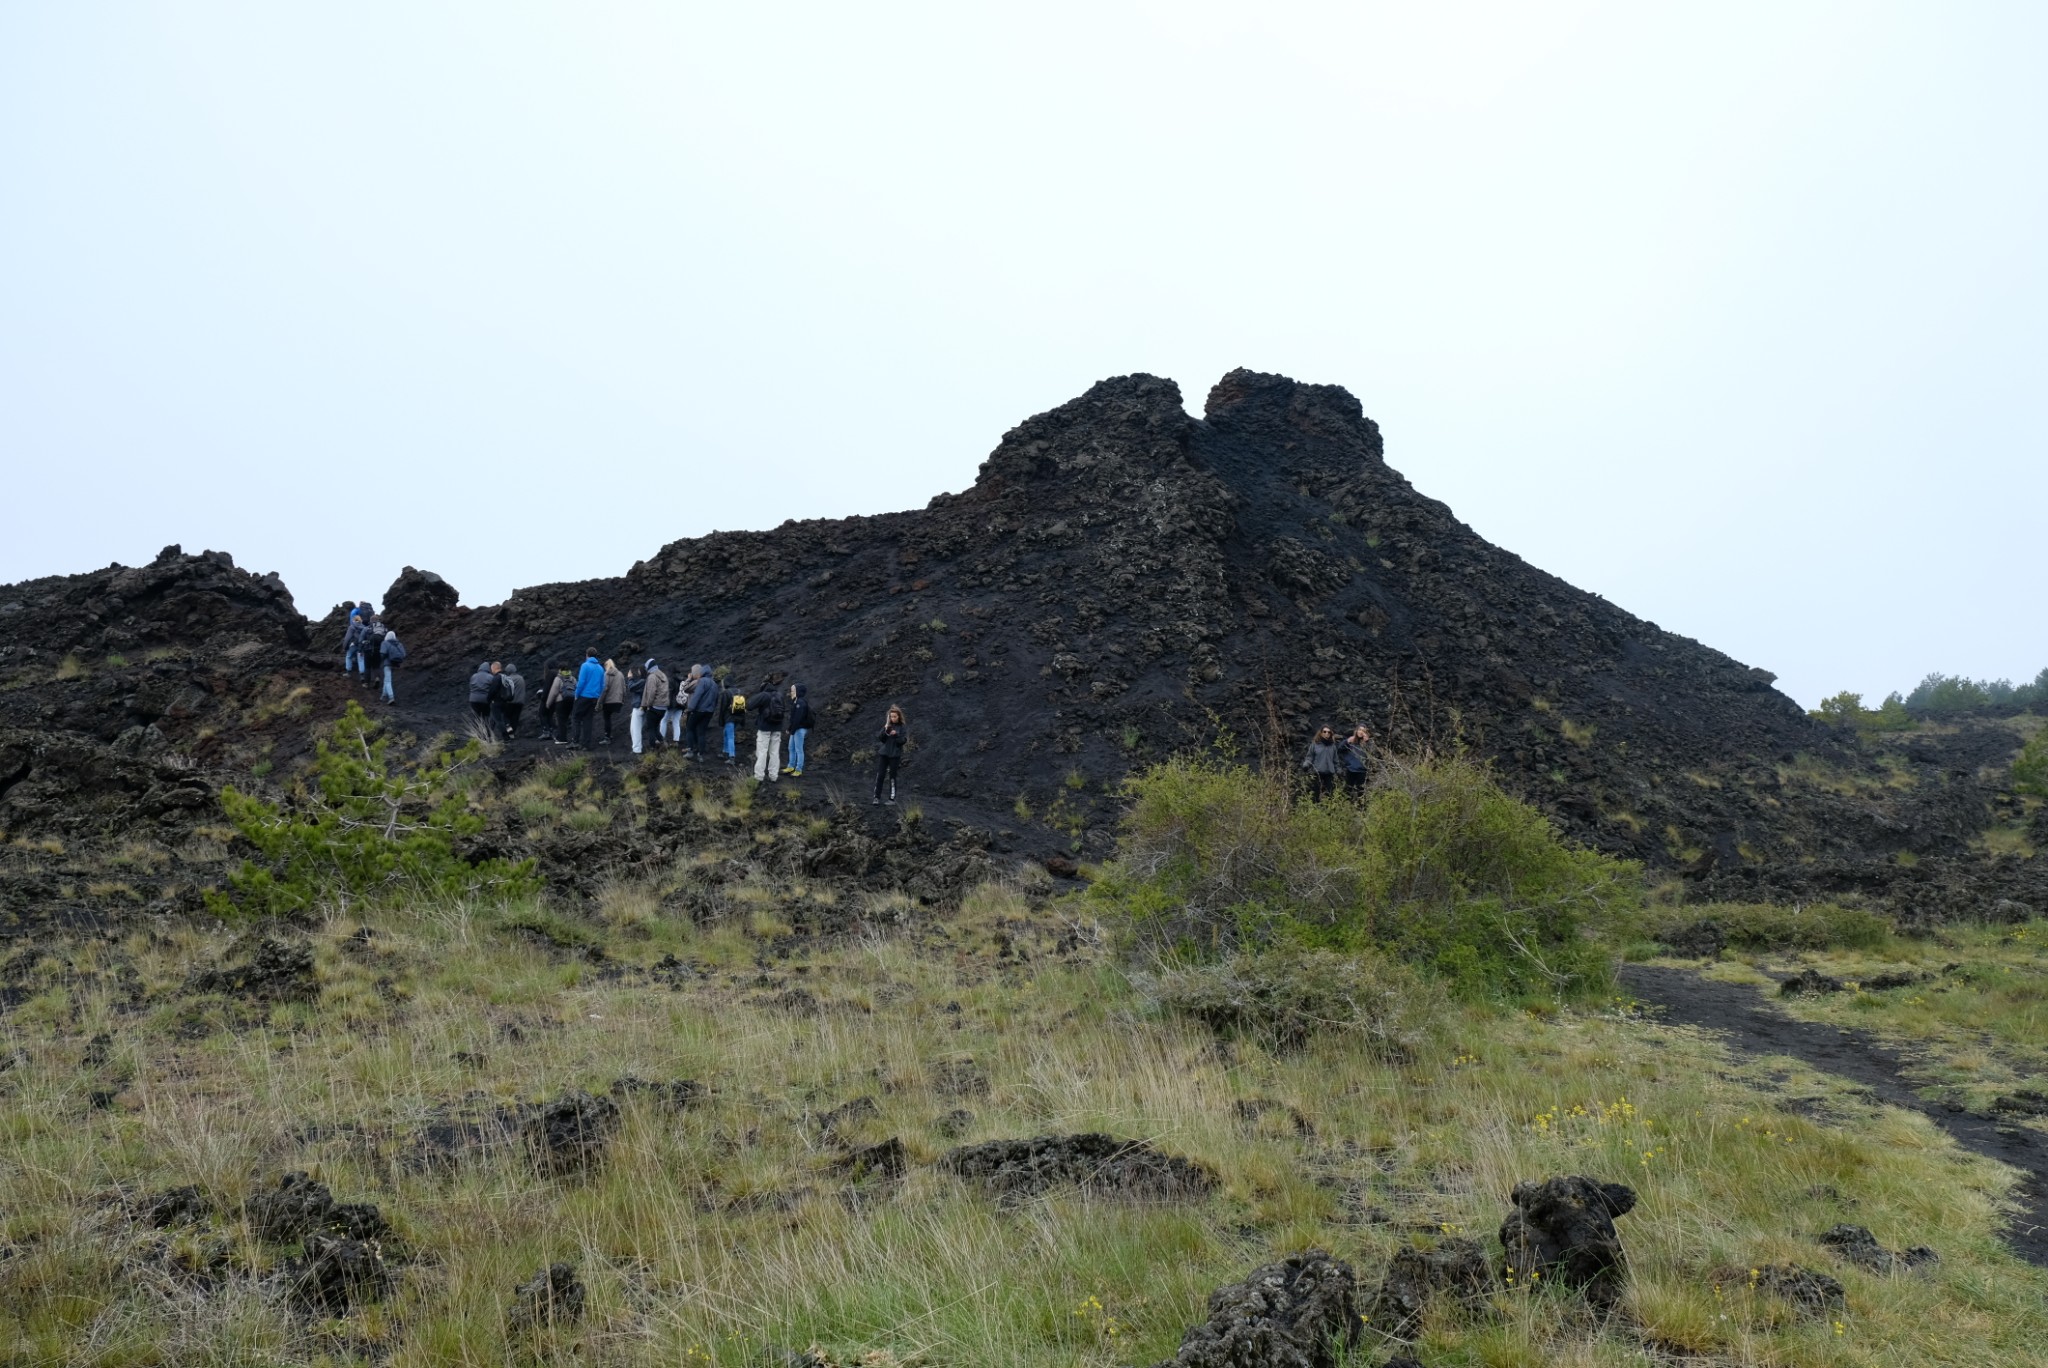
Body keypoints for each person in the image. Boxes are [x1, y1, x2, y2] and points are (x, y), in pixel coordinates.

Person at [749, 676, 786, 781]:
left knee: (762, 752)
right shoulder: (780, 695)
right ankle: (773, 776)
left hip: (764, 728)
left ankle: (759, 776)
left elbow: (749, 705)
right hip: (777, 728)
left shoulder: (764, 695)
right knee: (774, 753)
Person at [873, 704, 907, 805]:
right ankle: (876, 797)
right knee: (880, 775)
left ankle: (891, 799)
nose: (893, 718)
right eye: (891, 716)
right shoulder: (888, 725)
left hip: (895, 755)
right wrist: (885, 729)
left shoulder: (902, 727)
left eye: (894, 716)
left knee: (892, 777)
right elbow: (881, 739)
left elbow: (902, 741)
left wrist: (896, 735)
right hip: (884, 753)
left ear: (899, 716)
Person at [687, 664, 720, 760]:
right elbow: (716, 698)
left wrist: (690, 708)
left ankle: (690, 750)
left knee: (689, 728)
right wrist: (712, 709)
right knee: (701, 732)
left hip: (699, 710)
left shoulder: (702, 681)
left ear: (703, 672)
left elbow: (697, 695)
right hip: (709, 712)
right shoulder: (714, 684)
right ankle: (700, 755)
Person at [573, 648, 605, 748]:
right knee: (588, 720)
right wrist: (598, 696)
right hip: (594, 698)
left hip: (584, 696)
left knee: (576, 717)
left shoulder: (585, 665)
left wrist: (576, 694)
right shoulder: (600, 668)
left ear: (587, 655)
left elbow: (581, 682)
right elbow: (602, 685)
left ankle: (575, 741)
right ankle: (586, 745)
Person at [1301, 725, 1341, 802]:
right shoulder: (1315, 744)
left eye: (1329, 732)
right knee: (1315, 794)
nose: (1327, 733)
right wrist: (1306, 765)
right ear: (1321, 733)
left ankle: (1328, 812)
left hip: (1329, 773)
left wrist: (1338, 769)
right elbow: (1309, 757)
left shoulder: (1332, 746)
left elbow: (1336, 760)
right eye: (1324, 732)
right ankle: (1315, 810)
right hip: (1317, 772)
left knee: (1330, 795)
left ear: (1331, 734)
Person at [638, 659, 670, 753]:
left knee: (650, 728)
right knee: (655, 727)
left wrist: (648, 705)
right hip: (663, 707)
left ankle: (652, 749)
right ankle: (663, 743)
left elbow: (651, 693)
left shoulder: (652, 676)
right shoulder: (663, 675)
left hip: (655, 707)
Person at [782, 682, 813, 777]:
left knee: (798, 749)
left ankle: (798, 769)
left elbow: (797, 719)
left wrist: (791, 730)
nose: (791, 692)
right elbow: (794, 719)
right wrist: (790, 729)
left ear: (798, 692)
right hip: (796, 729)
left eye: (793, 690)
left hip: (799, 730)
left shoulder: (800, 703)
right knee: (791, 748)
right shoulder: (797, 702)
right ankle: (791, 766)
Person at [1338, 724, 1372, 798]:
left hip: (1362, 771)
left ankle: (1361, 807)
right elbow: (1340, 749)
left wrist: (1367, 742)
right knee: (1347, 790)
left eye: (1363, 731)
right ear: (1356, 731)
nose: (1361, 732)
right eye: (1360, 730)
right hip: (1350, 769)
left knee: (1361, 791)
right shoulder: (1351, 742)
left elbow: (1372, 754)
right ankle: (1345, 806)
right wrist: (1347, 741)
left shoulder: (1366, 743)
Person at [545, 665, 576, 744]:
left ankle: (562, 739)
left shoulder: (558, 678)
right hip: (571, 701)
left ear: (560, 669)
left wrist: (548, 703)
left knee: (561, 720)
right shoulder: (572, 678)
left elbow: (553, 692)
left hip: (561, 701)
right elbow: (577, 688)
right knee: (568, 720)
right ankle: (571, 737)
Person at [600, 658, 625, 746]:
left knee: (606, 718)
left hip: (608, 701)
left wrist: (600, 701)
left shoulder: (606, 674)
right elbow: (624, 688)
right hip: (618, 700)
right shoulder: (621, 674)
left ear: (606, 666)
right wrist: (622, 700)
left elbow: (605, 689)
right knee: (609, 717)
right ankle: (609, 735)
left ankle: (607, 737)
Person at [377, 623, 404, 704]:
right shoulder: (399, 643)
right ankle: (383, 696)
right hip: (395, 664)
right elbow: (404, 654)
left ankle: (391, 697)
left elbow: (383, 653)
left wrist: (380, 661)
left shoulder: (385, 643)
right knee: (386, 679)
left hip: (387, 664)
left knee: (388, 681)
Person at [500, 661, 527, 739]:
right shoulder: (521, 678)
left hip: (510, 702)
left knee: (506, 717)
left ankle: (509, 731)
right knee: (515, 718)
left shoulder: (509, 679)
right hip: (520, 702)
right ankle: (513, 734)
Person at [468, 662, 498, 729]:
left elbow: (471, 687)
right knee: (487, 715)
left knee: (477, 716)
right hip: (484, 700)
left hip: (473, 700)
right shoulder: (490, 677)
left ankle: (477, 733)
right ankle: (487, 733)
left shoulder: (473, 676)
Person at [719, 681, 742, 765]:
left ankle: (731, 757)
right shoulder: (738, 691)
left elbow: (723, 707)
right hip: (738, 717)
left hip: (729, 718)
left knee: (730, 736)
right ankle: (725, 752)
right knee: (726, 733)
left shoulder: (726, 692)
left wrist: (721, 719)